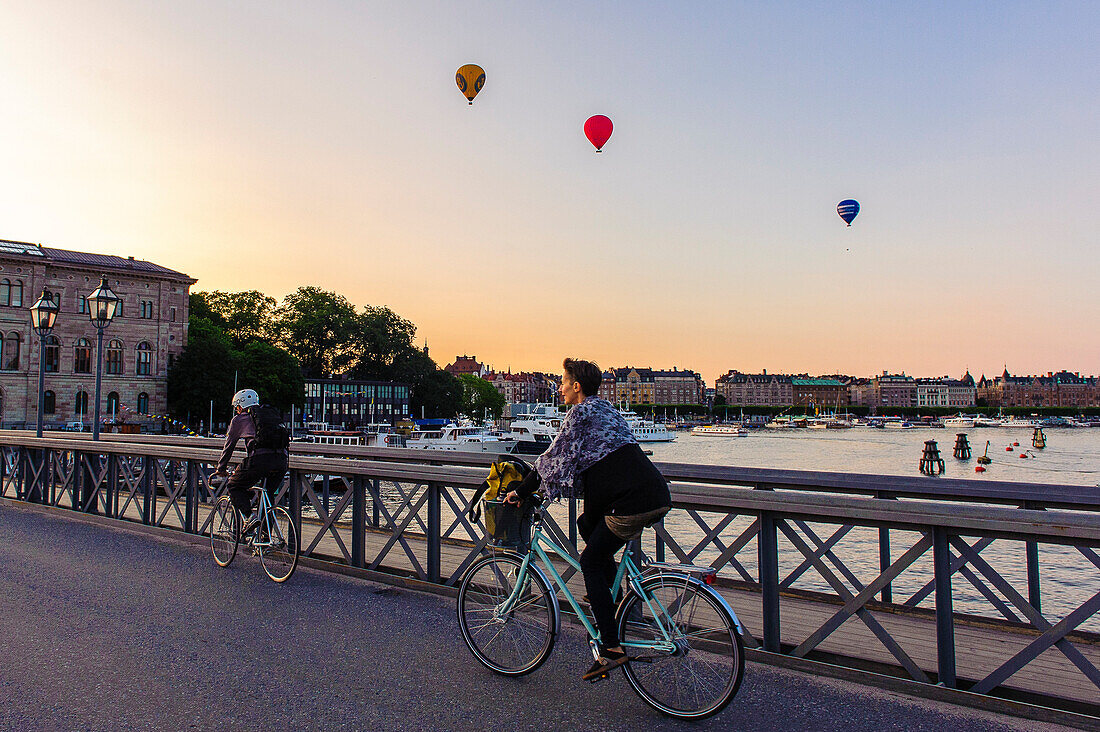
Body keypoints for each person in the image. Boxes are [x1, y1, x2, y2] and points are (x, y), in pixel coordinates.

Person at [506, 358, 671, 682]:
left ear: (576, 386)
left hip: (630, 502)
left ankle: (611, 648)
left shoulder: (580, 413)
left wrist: (522, 492)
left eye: (564, 382)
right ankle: (614, 597)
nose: (560, 387)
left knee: (591, 562)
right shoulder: (605, 409)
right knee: (587, 525)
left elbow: (552, 459)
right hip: (654, 492)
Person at [215, 389, 290, 535]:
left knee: (234, 486)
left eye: (236, 407)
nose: (236, 410)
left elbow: (229, 446)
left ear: (240, 406)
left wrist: (221, 468)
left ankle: (249, 517)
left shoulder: (239, 419)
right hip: (281, 460)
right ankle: (265, 538)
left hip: (259, 461)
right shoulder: (269, 415)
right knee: (267, 495)